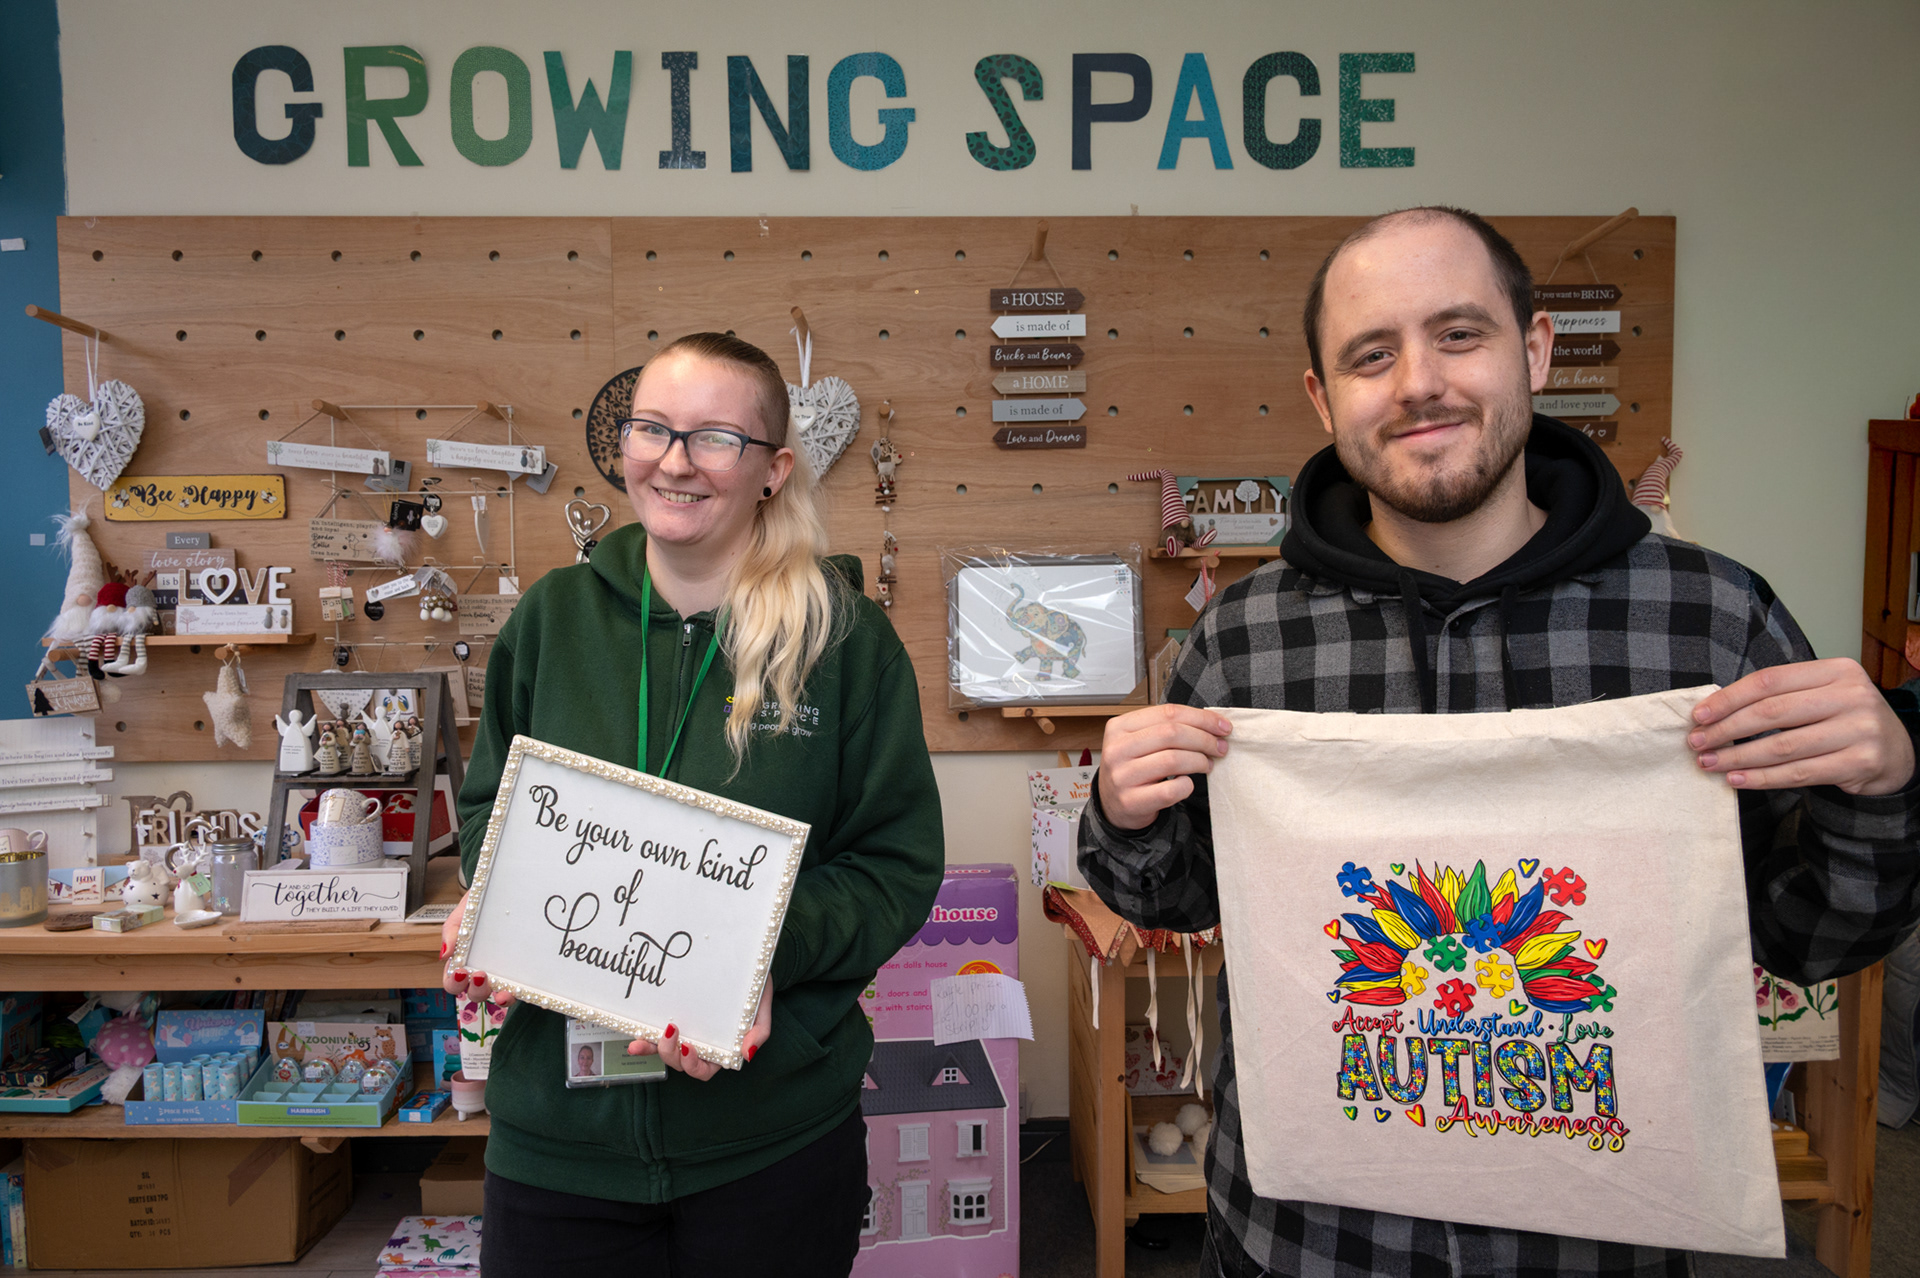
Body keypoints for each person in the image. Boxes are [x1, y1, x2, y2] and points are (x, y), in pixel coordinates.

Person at [1081, 207, 1920, 1278]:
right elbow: (1177, 898)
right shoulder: (1247, 635)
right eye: (1371, 355)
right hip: (1310, 1243)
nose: (1419, 381)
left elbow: (1818, 941)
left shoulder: (1708, 619)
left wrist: (1883, 782)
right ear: (1322, 396)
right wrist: (1122, 812)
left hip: (1601, 1242)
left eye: (1459, 334)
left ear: (1533, 351)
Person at [439, 332, 944, 1276]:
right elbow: (486, 811)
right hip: (560, 1146)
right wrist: (497, 886)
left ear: (773, 469)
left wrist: (755, 958)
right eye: (652, 428)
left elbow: (893, 869)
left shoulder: (846, 640)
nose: (674, 461)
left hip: (771, 1140)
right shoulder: (550, 619)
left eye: (714, 437)